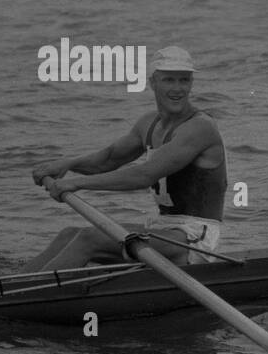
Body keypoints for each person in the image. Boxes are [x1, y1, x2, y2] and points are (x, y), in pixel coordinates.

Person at [24, 46, 226, 271]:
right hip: (163, 230)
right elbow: (108, 160)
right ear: (153, 82)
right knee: (68, 235)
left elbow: (143, 175)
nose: (178, 89)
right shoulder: (149, 123)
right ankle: (6, 289)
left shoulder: (199, 127)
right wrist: (68, 164)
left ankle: (21, 301)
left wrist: (75, 183)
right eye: (169, 80)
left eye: (184, 80)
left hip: (195, 239)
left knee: (90, 238)